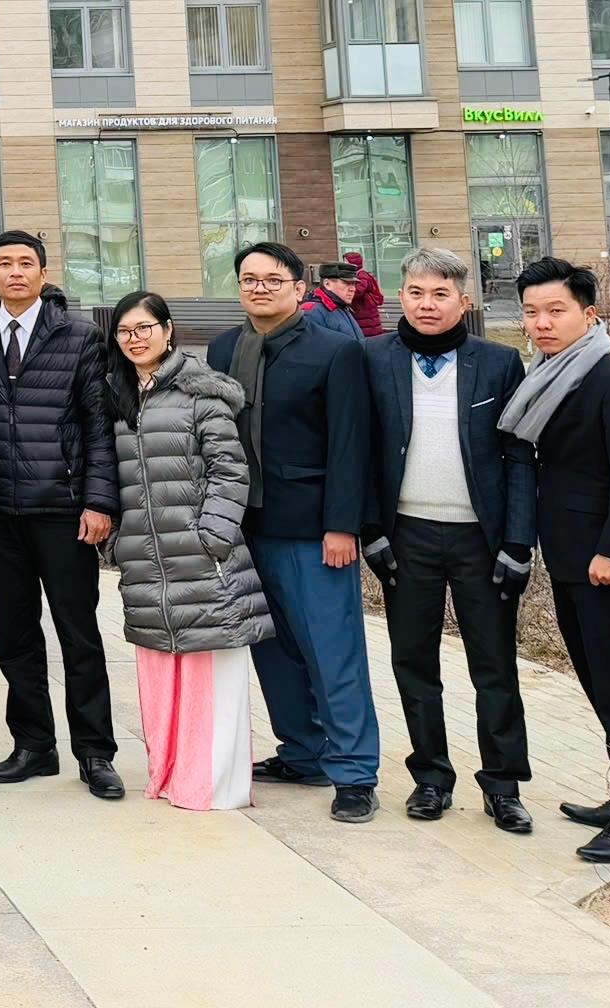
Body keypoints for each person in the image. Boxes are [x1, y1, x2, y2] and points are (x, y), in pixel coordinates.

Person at [361, 248, 536, 833]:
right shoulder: (372, 358)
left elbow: (518, 457)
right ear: (399, 296)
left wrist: (518, 542)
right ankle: (431, 778)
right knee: (414, 661)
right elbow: (357, 452)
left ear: (464, 301)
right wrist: (371, 531)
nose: (426, 304)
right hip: (407, 534)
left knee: (494, 665)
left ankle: (504, 785)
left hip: (479, 539)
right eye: (415, 292)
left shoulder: (498, 362)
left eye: (440, 294)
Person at [207, 241, 380, 822]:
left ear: (298, 288)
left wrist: (342, 526)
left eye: (272, 279)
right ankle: (302, 751)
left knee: (333, 652)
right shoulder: (226, 347)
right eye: (249, 279)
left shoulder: (335, 351)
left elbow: (351, 444)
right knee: (270, 648)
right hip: (244, 528)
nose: (259, 287)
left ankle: (354, 771)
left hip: (312, 531)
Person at [507, 256, 610, 863]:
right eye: (531, 312)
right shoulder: (548, 376)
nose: (542, 323)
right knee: (603, 688)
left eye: (556, 311)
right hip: (572, 560)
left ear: (588, 314)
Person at [0, 231, 123, 800]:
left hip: (64, 511)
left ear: (44, 271)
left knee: (79, 634)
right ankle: (33, 745)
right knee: (15, 636)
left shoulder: (78, 337)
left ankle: (96, 753)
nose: (16, 272)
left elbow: (98, 426)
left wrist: (100, 501)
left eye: (26, 263)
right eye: (4, 263)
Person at [103, 292, 273, 810]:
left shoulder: (201, 393)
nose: (135, 339)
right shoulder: (117, 395)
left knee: (210, 675)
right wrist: (116, 542)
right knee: (160, 675)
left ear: (168, 329)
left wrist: (212, 538)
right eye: (125, 331)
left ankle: (212, 785)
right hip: (145, 563)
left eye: (145, 327)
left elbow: (230, 469)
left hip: (203, 558)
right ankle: (170, 774)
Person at [302, 266, 363, 340]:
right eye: (346, 283)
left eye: (353, 284)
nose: (353, 289)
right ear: (327, 284)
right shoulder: (312, 312)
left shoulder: (341, 306)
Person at [344, 252, 387, 339]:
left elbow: (359, 290)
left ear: (352, 263)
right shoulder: (359, 274)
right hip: (364, 313)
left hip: (365, 313)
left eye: (346, 261)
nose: (344, 264)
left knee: (368, 336)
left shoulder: (361, 275)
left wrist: (344, 292)